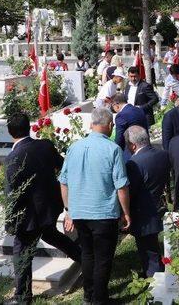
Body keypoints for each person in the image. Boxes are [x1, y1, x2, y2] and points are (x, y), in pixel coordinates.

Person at [4, 113, 81, 304]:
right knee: (50, 235)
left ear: (10, 132)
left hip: (29, 216)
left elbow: (12, 194)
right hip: (49, 207)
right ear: (28, 128)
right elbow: (63, 165)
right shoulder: (45, 145)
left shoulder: (13, 158)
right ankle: (86, 259)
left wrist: (11, 222)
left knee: (21, 252)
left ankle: (23, 298)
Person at [59, 108, 131, 305]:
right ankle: (99, 299)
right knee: (103, 259)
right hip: (103, 213)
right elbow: (121, 186)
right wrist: (126, 213)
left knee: (88, 255)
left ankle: (88, 296)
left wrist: (68, 211)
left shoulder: (74, 147)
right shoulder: (113, 149)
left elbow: (63, 182)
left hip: (80, 212)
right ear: (109, 126)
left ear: (92, 124)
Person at [124, 126, 170, 277]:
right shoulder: (162, 154)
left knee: (147, 251)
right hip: (158, 206)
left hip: (142, 213)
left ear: (133, 145)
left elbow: (131, 191)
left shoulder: (133, 163)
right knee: (153, 246)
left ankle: (154, 280)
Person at [112, 92, 149, 160]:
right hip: (145, 147)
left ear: (116, 105)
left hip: (131, 152)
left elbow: (119, 140)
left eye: (112, 106)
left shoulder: (121, 115)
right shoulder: (139, 109)